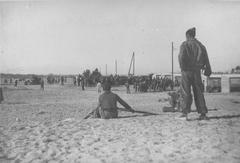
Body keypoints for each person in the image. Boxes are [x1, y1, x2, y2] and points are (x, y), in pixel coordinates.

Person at [178, 27, 212, 120]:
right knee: (199, 92)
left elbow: (181, 57)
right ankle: (203, 114)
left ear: (187, 35)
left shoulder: (185, 44)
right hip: (197, 72)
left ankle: (184, 114)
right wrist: (207, 70)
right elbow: (206, 59)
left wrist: (182, 67)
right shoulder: (200, 45)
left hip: (186, 71)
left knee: (185, 92)